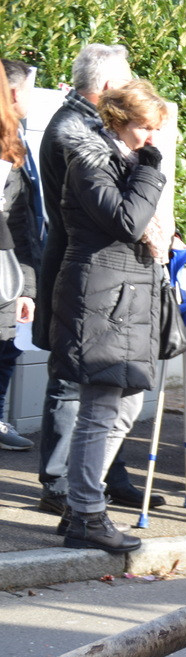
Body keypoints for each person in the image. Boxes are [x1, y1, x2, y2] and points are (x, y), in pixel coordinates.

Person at [34, 44, 163, 515]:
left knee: (104, 386)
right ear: (108, 87)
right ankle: (61, 483)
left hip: (101, 270)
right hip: (83, 266)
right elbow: (116, 216)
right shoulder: (76, 132)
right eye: (126, 80)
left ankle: (100, 476)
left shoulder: (86, 127)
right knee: (75, 381)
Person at [0, 58, 42, 451]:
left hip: (12, 270)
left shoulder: (16, 139)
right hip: (6, 271)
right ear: (14, 93)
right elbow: (12, 221)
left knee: (9, 346)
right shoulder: (5, 146)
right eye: (30, 88)